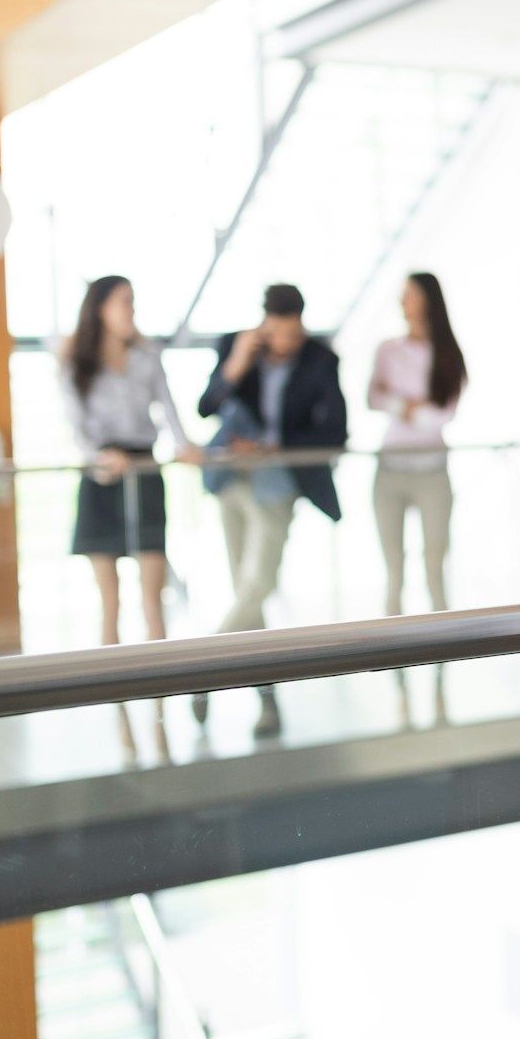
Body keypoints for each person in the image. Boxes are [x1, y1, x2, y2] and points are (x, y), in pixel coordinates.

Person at [195, 283, 347, 740]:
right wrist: (238, 362)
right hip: (232, 484)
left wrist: (271, 448)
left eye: (293, 335)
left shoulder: (322, 359)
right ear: (265, 325)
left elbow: (336, 433)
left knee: (258, 584)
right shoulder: (235, 346)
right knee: (246, 592)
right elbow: (206, 408)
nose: (286, 344)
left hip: (278, 484)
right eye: (278, 335)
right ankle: (268, 701)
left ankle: (198, 669)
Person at [59, 275, 199, 759]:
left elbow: (169, 406)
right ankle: (115, 698)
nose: (131, 310)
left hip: (144, 468)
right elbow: (75, 424)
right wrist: (98, 457)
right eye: (124, 302)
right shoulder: (75, 358)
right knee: (110, 600)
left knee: (152, 594)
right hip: (102, 473)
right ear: (100, 307)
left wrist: (183, 445)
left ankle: (157, 696)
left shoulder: (147, 353)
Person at [368, 272, 466, 723]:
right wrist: (409, 407)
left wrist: (402, 405)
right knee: (393, 567)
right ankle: (394, 657)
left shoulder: (447, 355)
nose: (402, 302)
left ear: (427, 300)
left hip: (432, 474)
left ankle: (442, 654)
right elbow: (372, 396)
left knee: (433, 563)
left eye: (408, 295)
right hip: (390, 471)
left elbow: (439, 418)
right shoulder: (388, 349)